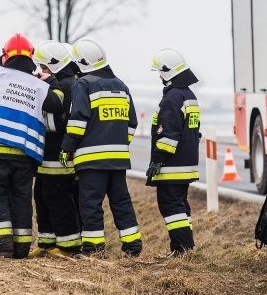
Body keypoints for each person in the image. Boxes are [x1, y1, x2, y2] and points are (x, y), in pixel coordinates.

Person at [0, 33, 65, 258]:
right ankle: (21, 247)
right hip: (24, 152)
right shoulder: (38, 85)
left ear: (5, 55)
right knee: (21, 197)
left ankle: (3, 243)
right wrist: (50, 81)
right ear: (31, 56)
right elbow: (58, 102)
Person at [60, 37, 142, 257]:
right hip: (118, 159)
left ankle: (93, 250)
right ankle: (133, 247)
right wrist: (119, 145)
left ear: (82, 62)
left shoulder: (83, 85)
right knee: (121, 202)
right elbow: (132, 123)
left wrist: (67, 148)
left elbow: (77, 122)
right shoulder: (122, 86)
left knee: (91, 204)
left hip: (91, 160)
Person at [146, 48, 201, 258]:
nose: (159, 77)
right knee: (180, 205)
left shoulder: (172, 98)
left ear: (168, 72)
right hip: (186, 164)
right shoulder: (189, 95)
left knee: (171, 206)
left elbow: (168, 134)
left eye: (160, 72)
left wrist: (157, 161)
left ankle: (181, 249)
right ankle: (185, 248)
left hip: (172, 166)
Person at [29, 41, 82, 258]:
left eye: (44, 67)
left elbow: (61, 123)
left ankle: (68, 246)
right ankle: (47, 243)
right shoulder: (58, 83)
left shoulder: (69, 85)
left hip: (60, 155)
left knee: (59, 198)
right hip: (46, 154)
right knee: (42, 196)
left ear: (55, 65)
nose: (41, 71)